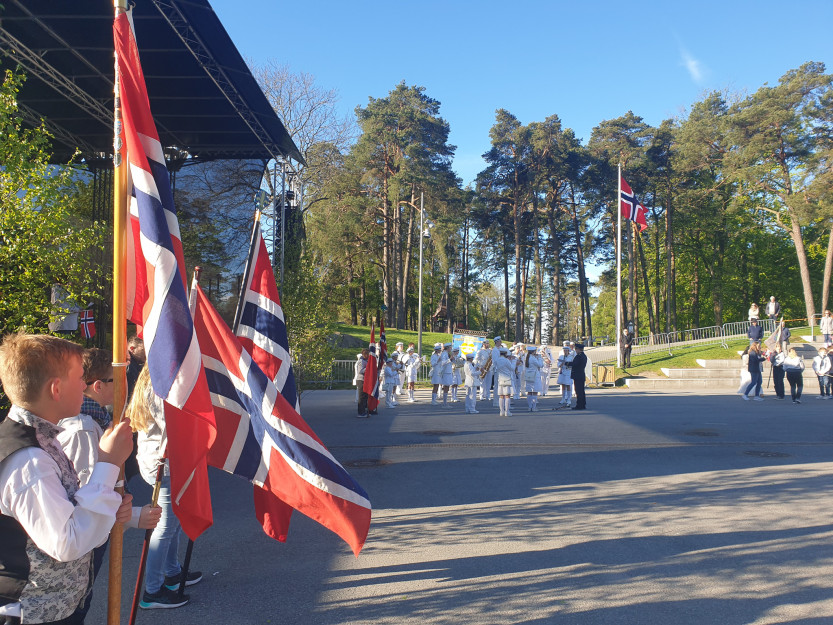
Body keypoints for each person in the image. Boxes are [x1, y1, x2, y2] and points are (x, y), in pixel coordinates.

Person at [0, 332, 134, 625]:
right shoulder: (29, 460)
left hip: (56, 607)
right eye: (79, 378)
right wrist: (109, 463)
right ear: (56, 388)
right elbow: (66, 542)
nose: (85, 386)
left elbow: (66, 509)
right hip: (35, 613)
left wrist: (109, 510)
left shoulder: (43, 439)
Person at [57, 348, 161, 623]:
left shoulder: (96, 422)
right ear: (99, 386)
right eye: (120, 379)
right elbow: (85, 498)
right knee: (76, 607)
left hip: (88, 540)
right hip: (81, 550)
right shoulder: (82, 430)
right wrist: (135, 517)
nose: (127, 385)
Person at [128, 368, 202, 610]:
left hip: (163, 462)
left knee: (175, 521)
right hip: (164, 464)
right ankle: (152, 591)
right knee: (165, 526)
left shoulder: (151, 381)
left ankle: (171, 573)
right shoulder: (160, 387)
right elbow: (173, 426)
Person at [494, 347, 514, 417]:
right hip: (507, 378)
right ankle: (507, 411)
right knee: (507, 395)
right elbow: (512, 368)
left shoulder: (497, 360)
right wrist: (513, 362)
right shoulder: (506, 360)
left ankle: (501, 411)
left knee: (501, 396)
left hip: (500, 379)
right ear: (505, 354)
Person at [523, 345, 543, 412]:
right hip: (534, 375)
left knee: (529, 392)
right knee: (534, 391)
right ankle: (533, 407)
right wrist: (540, 358)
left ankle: (529, 406)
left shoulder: (527, 357)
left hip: (529, 375)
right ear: (533, 352)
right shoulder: (533, 358)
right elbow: (540, 365)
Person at [571, 343, 588, 410]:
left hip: (578, 375)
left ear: (578, 349)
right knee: (581, 391)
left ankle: (579, 405)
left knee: (578, 391)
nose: (575, 350)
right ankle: (582, 404)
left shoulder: (579, 356)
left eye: (576, 349)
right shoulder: (583, 356)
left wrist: (567, 363)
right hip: (581, 375)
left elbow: (575, 364)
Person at [354, 349, 369, 418]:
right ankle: (360, 412)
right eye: (368, 355)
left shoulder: (365, 361)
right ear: (365, 355)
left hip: (365, 380)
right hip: (361, 380)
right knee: (361, 397)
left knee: (365, 396)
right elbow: (360, 371)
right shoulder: (361, 361)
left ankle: (364, 410)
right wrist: (368, 368)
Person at [490, 337, 504, 408]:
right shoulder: (495, 350)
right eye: (499, 341)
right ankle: (496, 401)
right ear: (497, 342)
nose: (501, 342)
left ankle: (500, 401)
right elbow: (495, 361)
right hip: (497, 370)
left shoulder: (500, 349)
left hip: (501, 370)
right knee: (497, 386)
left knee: (501, 386)